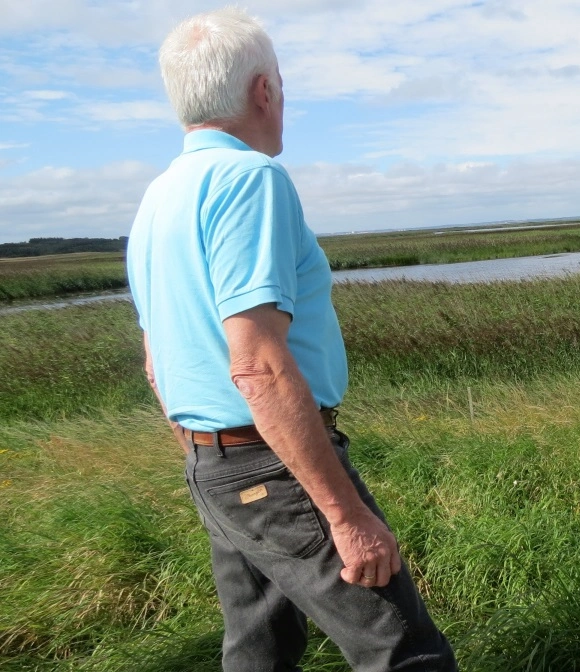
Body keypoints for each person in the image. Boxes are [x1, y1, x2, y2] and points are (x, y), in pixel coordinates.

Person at [125, 8, 457, 671]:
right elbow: (257, 365)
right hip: (269, 466)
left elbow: (157, 360)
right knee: (401, 650)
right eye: (280, 83)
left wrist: (205, 456)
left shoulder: (157, 200)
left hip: (215, 465)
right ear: (262, 91)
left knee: (260, 649)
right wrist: (343, 512)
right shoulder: (251, 180)